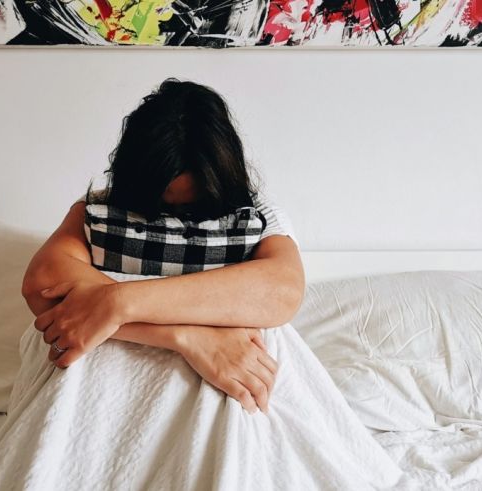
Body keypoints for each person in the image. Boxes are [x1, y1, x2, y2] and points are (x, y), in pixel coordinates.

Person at [20, 78, 304, 413]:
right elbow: (43, 283)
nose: (176, 218)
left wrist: (119, 301)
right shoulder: (98, 209)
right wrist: (190, 338)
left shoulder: (261, 218)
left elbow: (282, 291)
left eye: (191, 209)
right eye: (161, 206)